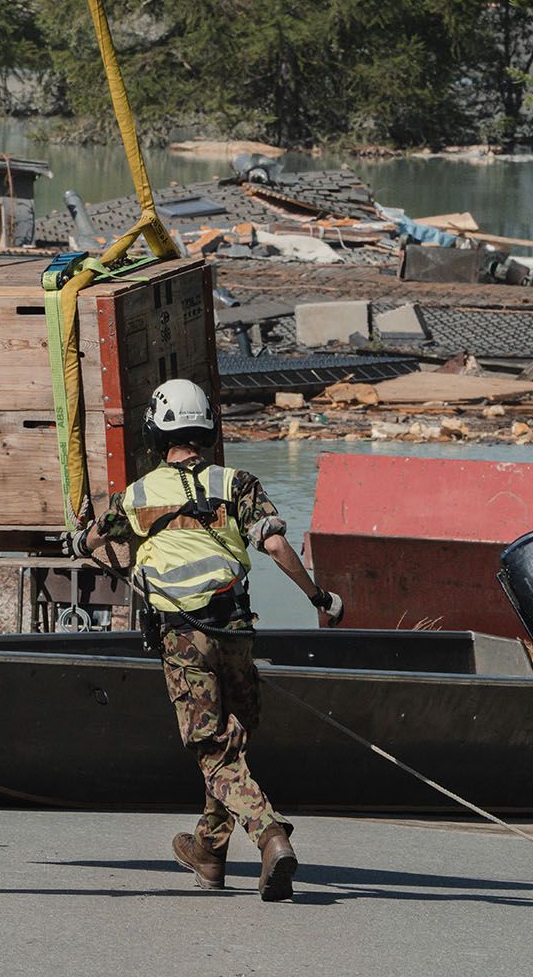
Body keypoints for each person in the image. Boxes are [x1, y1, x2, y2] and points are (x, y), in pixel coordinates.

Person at [78, 378, 343, 902]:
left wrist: (81, 534)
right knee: (233, 741)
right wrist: (318, 597)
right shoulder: (237, 483)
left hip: (184, 638)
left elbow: (90, 541)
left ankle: (270, 834)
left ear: (155, 434)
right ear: (209, 430)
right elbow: (275, 545)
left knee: (212, 748)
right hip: (236, 632)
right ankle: (208, 852)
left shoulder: (136, 496)